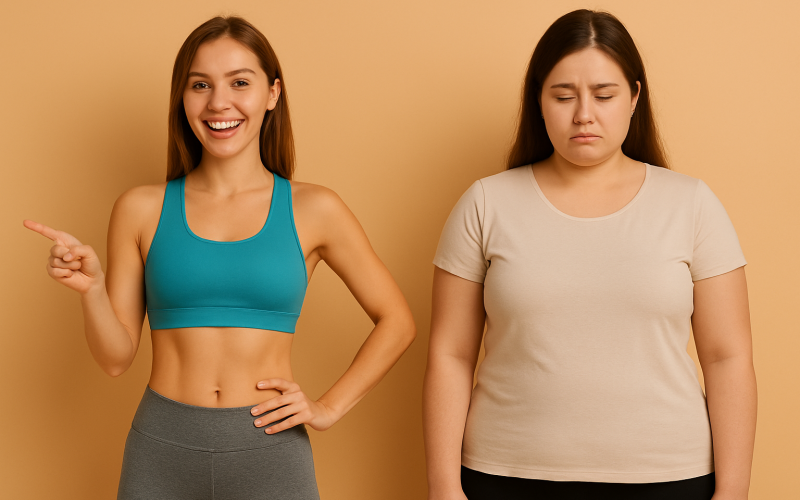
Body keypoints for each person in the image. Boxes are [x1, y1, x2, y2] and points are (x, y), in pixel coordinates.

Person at [24, 15, 416, 500]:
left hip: (271, 452)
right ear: (182, 99)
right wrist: (93, 292)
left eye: (240, 82)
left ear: (272, 93)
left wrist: (329, 407)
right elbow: (115, 359)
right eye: (200, 85)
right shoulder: (140, 208)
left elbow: (397, 321)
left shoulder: (315, 209)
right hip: (161, 447)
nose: (218, 103)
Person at [423, 9, 756, 500]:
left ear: (635, 97)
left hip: (668, 477)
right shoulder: (486, 203)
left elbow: (728, 358)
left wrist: (734, 493)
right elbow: (450, 355)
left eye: (604, 95)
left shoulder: (691, 204)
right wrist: (442, 487)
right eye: (563, 96)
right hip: (505, 473)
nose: (584, 114)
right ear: (538, 100)